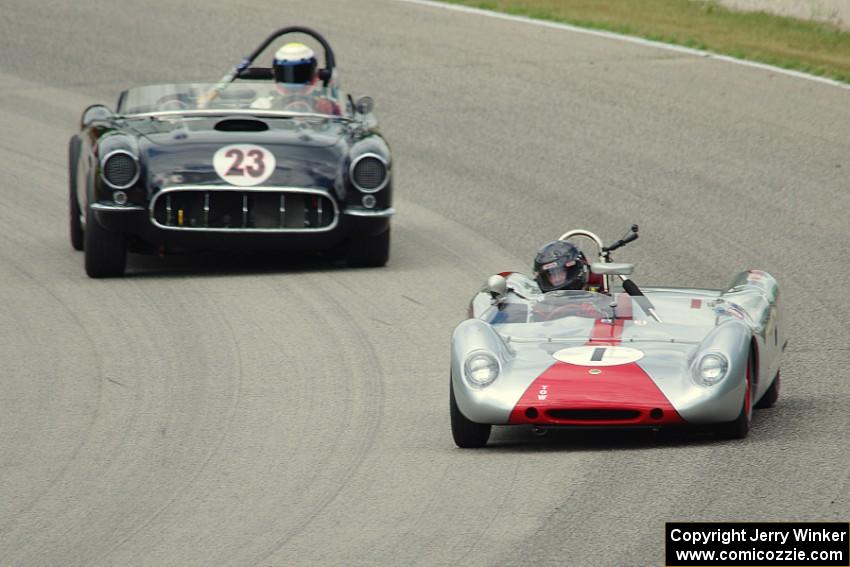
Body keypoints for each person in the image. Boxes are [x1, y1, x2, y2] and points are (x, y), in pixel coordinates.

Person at [268, 42, 340, 115]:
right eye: (287, 74)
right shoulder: (264, 105)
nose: (294, 87)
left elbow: (339, 121)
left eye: (301, 74)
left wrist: (329, 110)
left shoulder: (324, 105)